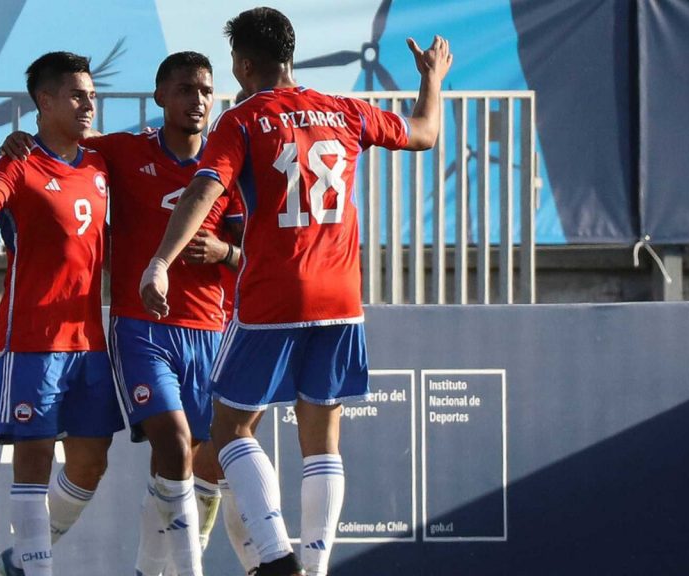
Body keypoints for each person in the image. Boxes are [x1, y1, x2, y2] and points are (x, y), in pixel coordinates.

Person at [139, 7, 452, 576]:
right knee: (322, 436)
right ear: (292, 54)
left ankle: (277, 553)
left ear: (243, 62)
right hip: (342, 297)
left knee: (229, 425)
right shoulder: (344, 110)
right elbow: (425, 133)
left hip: (274, 294)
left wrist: (160, 260)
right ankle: (315, 564)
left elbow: (203, 193)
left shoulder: (243, 119)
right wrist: (431, 79)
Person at [2, 51, 251, 576]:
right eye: (184, 89)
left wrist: (225, 254)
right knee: (176, 444)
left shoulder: (227, 167)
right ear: (161, 97)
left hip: (212, 330)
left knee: (190, 464)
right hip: (141, 327)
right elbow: (60, 150)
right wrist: (18, 140)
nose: (197, 99)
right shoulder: (122, 150)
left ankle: (42, 553)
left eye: (205, 90)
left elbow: (256, 253)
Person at [0, 51, 124, 576]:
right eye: (77, 95)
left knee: (92, 462)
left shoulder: (99, 162)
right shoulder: (18, 161)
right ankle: (37, 567)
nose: (88, 104)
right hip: (33, 338)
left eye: (92, 95)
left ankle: (26, 556)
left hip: (89, 340)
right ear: (44, 101)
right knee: (33, 462)